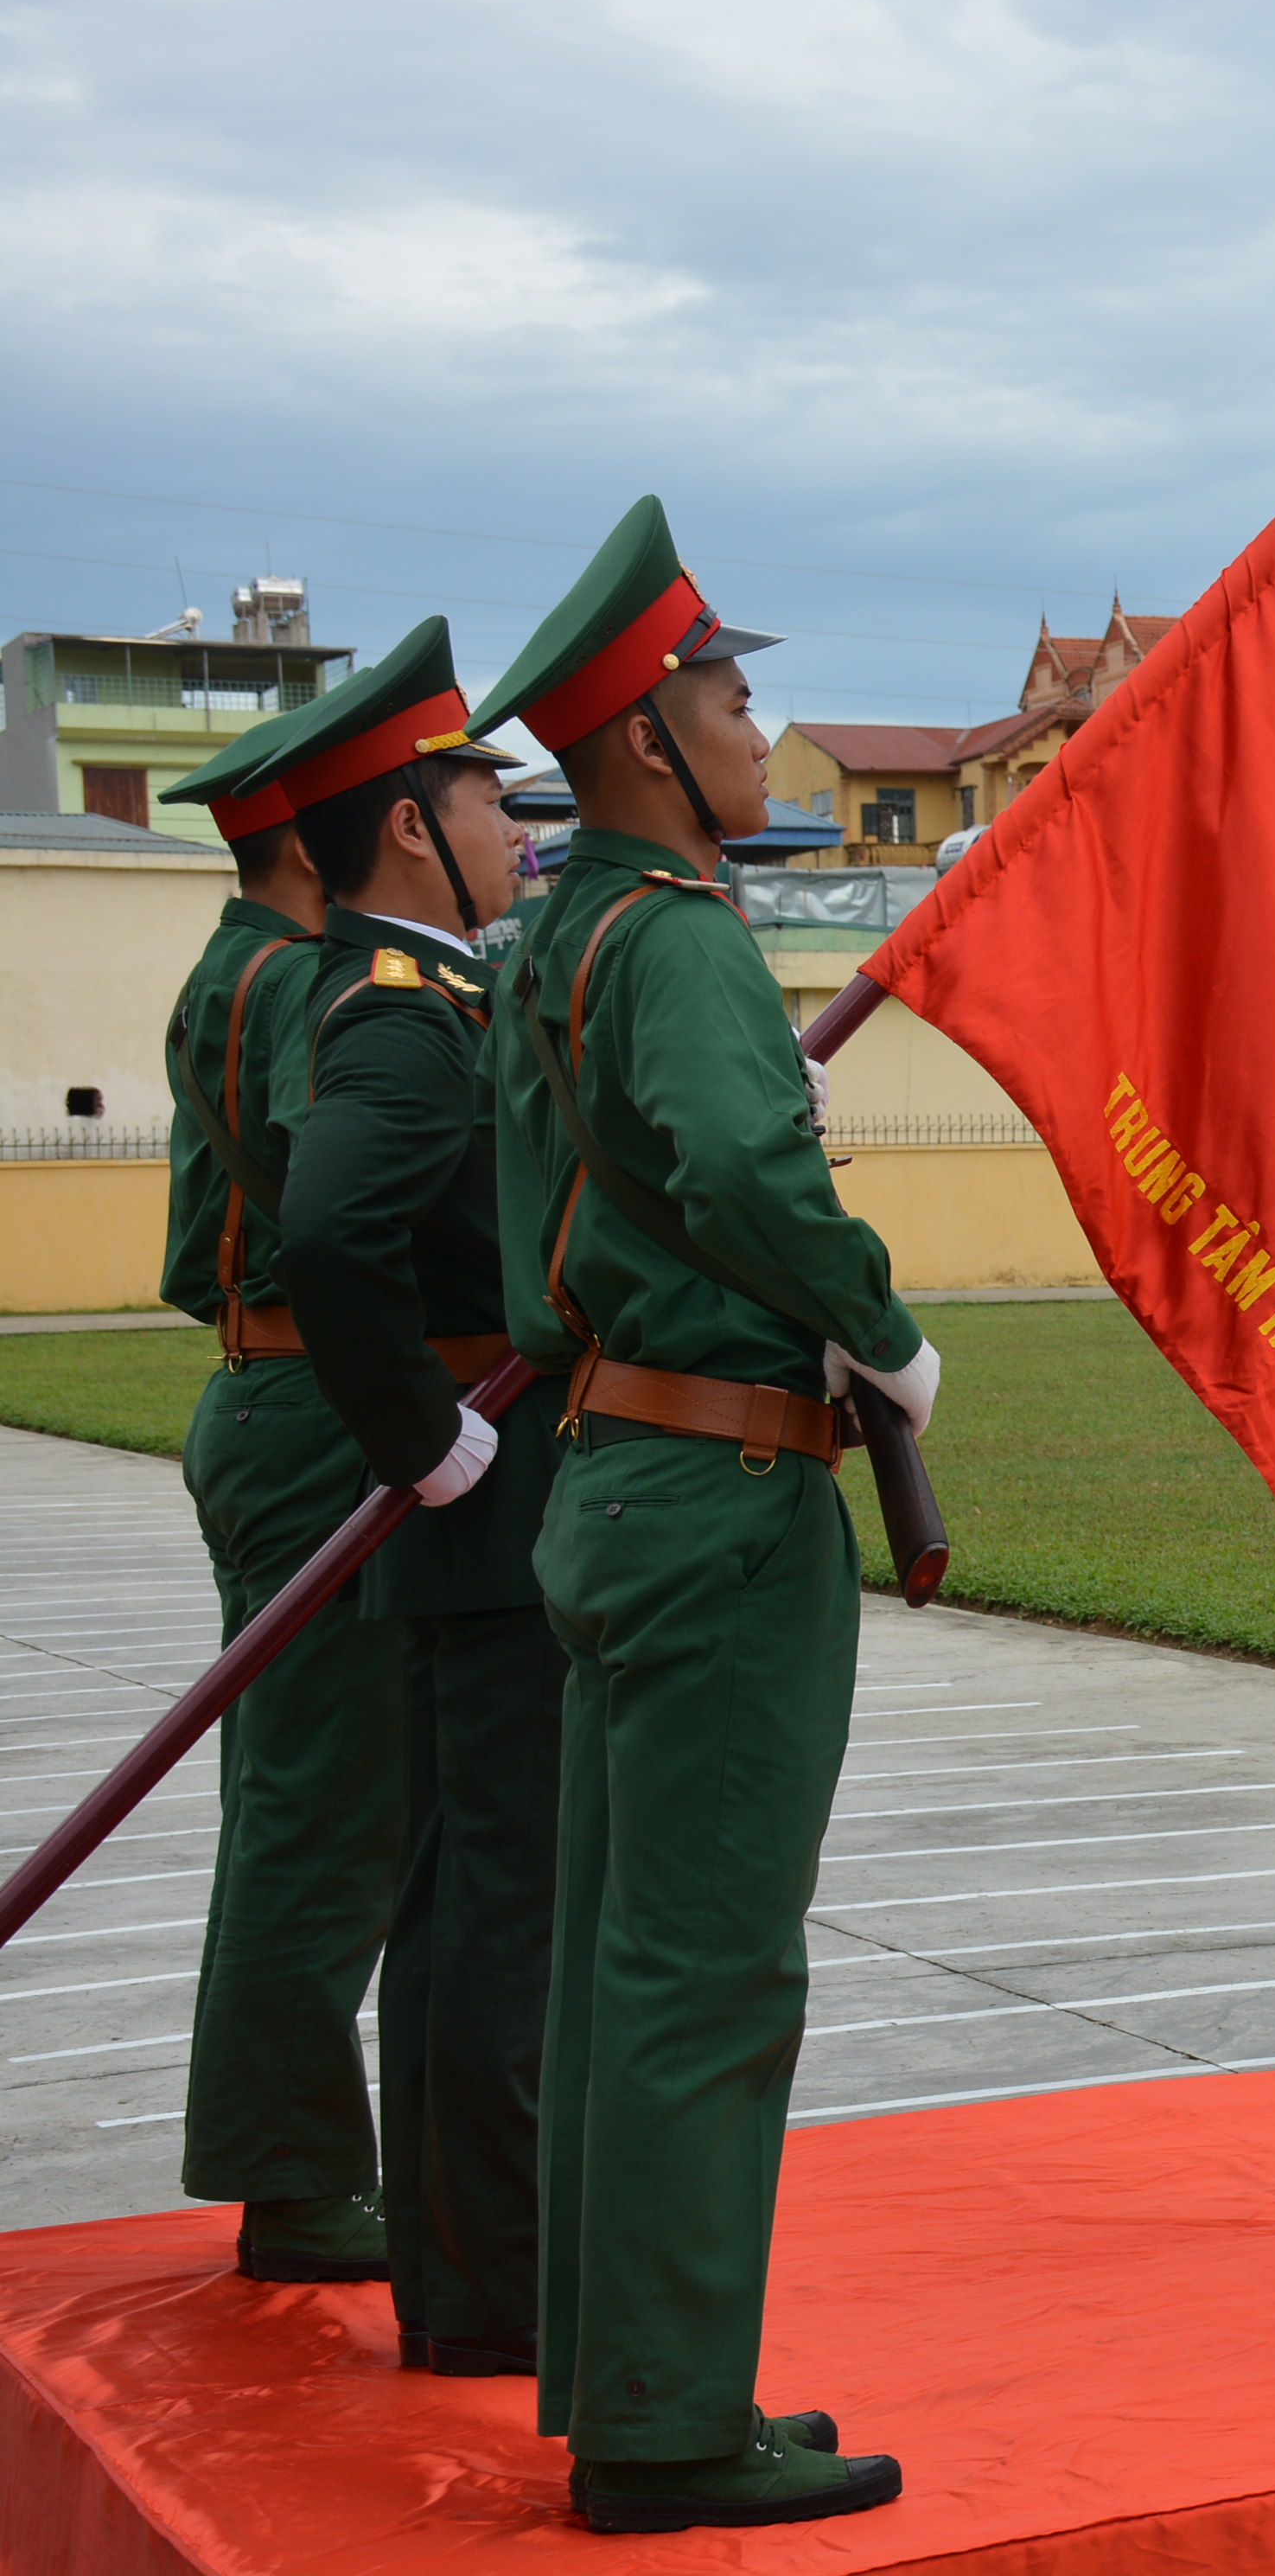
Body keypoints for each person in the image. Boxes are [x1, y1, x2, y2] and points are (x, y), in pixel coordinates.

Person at [470, 495, 918, 2531]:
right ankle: (663, 2425)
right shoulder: (674, 940)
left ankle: (627, 2378)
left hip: (615, 1466)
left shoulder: (556, 934)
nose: (758, 729)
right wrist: (880, 1328)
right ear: (652, 734)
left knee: (615, 1954)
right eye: (735, 694)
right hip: (723, 1482)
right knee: (705, 1969)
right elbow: (747, 1171)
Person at [248, 623, 568, 2381]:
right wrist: (422, 1437)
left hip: (484, 1490)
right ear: (405, 833)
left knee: (470, 1900)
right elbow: (331, 1235)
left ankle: (469, 2278)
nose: (517, 829)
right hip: (492, 1497)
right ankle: (498, 2281)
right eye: (484, 801)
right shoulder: (394, 1014)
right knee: (500, 1904)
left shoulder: (442, 994)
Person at [151, 719, 411, 2290]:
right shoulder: (299, 988)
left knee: (303, 1799)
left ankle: (288, 2160)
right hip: (323, 1409)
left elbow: (202, 1255)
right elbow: (351, 1220)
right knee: (324, 1812)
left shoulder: (232, 975)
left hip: (269, 1393)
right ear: (316, 844)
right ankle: (299, 2181)